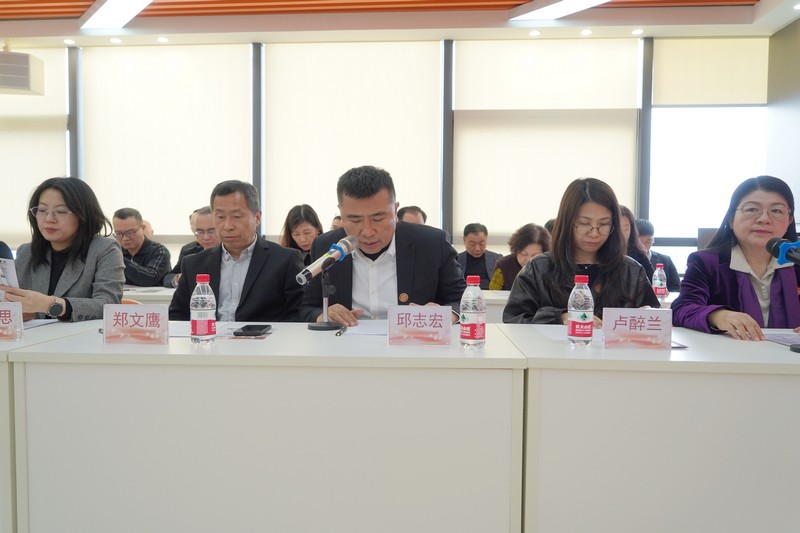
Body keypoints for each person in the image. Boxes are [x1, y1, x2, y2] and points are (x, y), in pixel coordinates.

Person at [298, 165, 466, 325]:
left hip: (412, 342)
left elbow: (463, 300)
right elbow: (306, 307)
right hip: (344, 342)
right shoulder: (326, 246)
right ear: (341, 213)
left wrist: (445, 314)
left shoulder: (431, 243)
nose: (368, 231)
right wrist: (323, 315)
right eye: (355, 220)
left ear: (395, 210)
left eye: (378, 218)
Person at [504, 178, 660, 324]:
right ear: (567, 223)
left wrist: (649, 316)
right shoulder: (538, 269)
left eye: (604, 224)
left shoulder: (631, 271)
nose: (594, 233)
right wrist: (559, 318)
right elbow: (514, 320)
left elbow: (654, 322)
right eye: (584, 223)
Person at [672, 176, 800, 339]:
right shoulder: (707, 263)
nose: (764, 219)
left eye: (776, 211)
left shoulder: (796, 262)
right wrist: (717, 315)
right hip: (726, 354)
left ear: (789, 221)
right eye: (752, 209)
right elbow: (682, 308)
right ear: (731, 219)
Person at [169, 180, 304, 322]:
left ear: (257, 217)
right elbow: (176, 316)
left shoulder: (285, 260)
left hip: (264, 336)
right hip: (209, 335)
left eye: (237, 216)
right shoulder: (193, 264)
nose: (228, 226)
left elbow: (297, 316)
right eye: (220, 217)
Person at [1, 177, 124, 321]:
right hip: (34, 335)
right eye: (42, 210)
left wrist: (51, 305)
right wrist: (17, 310)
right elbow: (13, 302)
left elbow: (108, 304)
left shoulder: (104, 249)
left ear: (83, 214)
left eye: (60, 211)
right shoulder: (27, 252)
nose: (49, 219)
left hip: (81, 335)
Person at [163, 206, 220, 288]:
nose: (206, 237)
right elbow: (168, 278)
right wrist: (180, 279)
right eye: (200, 232)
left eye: (211, 231)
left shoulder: (234, 253)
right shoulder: (190, 253)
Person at [112, 208, 171, 286]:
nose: (125, 238)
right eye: (118, 233)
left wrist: (119, 260)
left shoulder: (159, 251)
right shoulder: (115, 251)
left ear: (142, 228)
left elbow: (150, 278)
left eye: (130, 232)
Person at [489, 223, 550, 290]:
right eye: (523, 254)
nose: (528, 260)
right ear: (516, 250)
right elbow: (493, 292)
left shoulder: (551, 266)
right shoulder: (503, 265)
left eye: (535, 256)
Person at [635, 218, 681, 292]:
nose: (644, 246)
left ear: (653, 240)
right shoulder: (627, 261)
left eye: (648, 242)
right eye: (640, 242)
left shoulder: (666, 260)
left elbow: (676, 287)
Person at [457, 223, 502, 290]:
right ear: (464, 240)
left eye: (481, 244)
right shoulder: (456, 260)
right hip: (465, 294)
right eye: (472, 244)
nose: (477, 249)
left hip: (490, 295)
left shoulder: (497, 259)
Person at [619, 205, 655, 281]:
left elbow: (653, 281)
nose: (621, 234)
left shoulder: (639, 254)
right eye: (618, 228)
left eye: (625, 229)